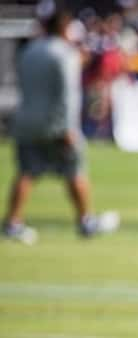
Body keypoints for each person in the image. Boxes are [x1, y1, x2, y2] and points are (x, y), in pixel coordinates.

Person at [3, 2, 119, 245]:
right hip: (56, 124)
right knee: (74, 170)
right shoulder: (65, 54)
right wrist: (67, 127)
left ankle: (12, 222)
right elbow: (68, 94)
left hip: (26, 120)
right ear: (64, 27)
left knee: (26, 172)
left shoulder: (28, 50)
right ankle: (85, 220)